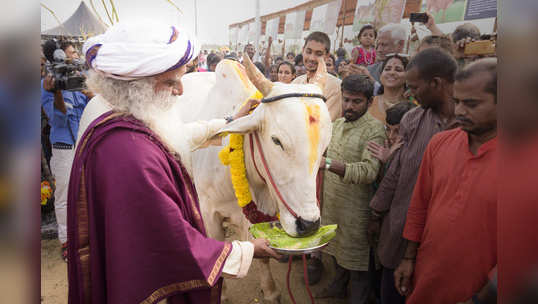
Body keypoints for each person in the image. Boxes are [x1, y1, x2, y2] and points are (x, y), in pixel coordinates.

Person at [67, 22, 280, 304]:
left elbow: (179, 136)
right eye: (170, 81)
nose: (181, 90)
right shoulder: (131, 156)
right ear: (136, 86)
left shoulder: (126, 121)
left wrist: (231, 122)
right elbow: (178, 245)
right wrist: (249, 250)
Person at [395, 58, 498, 304]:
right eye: (457, 101)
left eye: (471, 104)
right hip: (426, 280)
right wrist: (409, 258)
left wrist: (480, 300)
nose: (460, 111)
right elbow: (419, 206)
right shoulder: (440, 143)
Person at [368, 48, 459, 304]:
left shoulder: (470, 128)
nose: (411, 93)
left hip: (440, 243)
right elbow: (395, 173)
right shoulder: (413, 119)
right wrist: (376, 213)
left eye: (415, 87)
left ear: (437, 83)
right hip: (399, 231)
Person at [314, 74, 385, 303]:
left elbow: (368, 172)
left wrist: (327, 164)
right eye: (346, 100)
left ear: (369, 102)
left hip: (358, 211)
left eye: (357, 102)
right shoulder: (336, 124)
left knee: (358, 265)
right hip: (333, 204)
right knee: (335, 253)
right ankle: (337, 288)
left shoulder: (375, 131)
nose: (349, 106)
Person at [41, 40, 92, 262]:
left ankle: (87, 238)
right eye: (70, 53)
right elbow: (57, 118)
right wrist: (56, 94)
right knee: (63, 197)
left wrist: (89, 92)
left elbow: (89, 111)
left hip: (84, 144)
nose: (73, 56)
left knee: (85, 194)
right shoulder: (46, 85)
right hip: (63, 148)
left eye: (74, 54)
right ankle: (66, 241)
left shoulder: (77, 81)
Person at [292, 31, 343, 121]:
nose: (312, 58)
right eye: (308, 52)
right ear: (303, 50)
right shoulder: (296, 82)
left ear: (327, 56)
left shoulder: (336, 86)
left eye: (318, 54)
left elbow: (322, 123)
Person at [368, 54, 409, 124]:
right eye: (387, 69)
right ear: (380, 76)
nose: (392, 72)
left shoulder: (412, 108)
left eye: (398, 70)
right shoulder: (369, 103)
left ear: (407, 77)